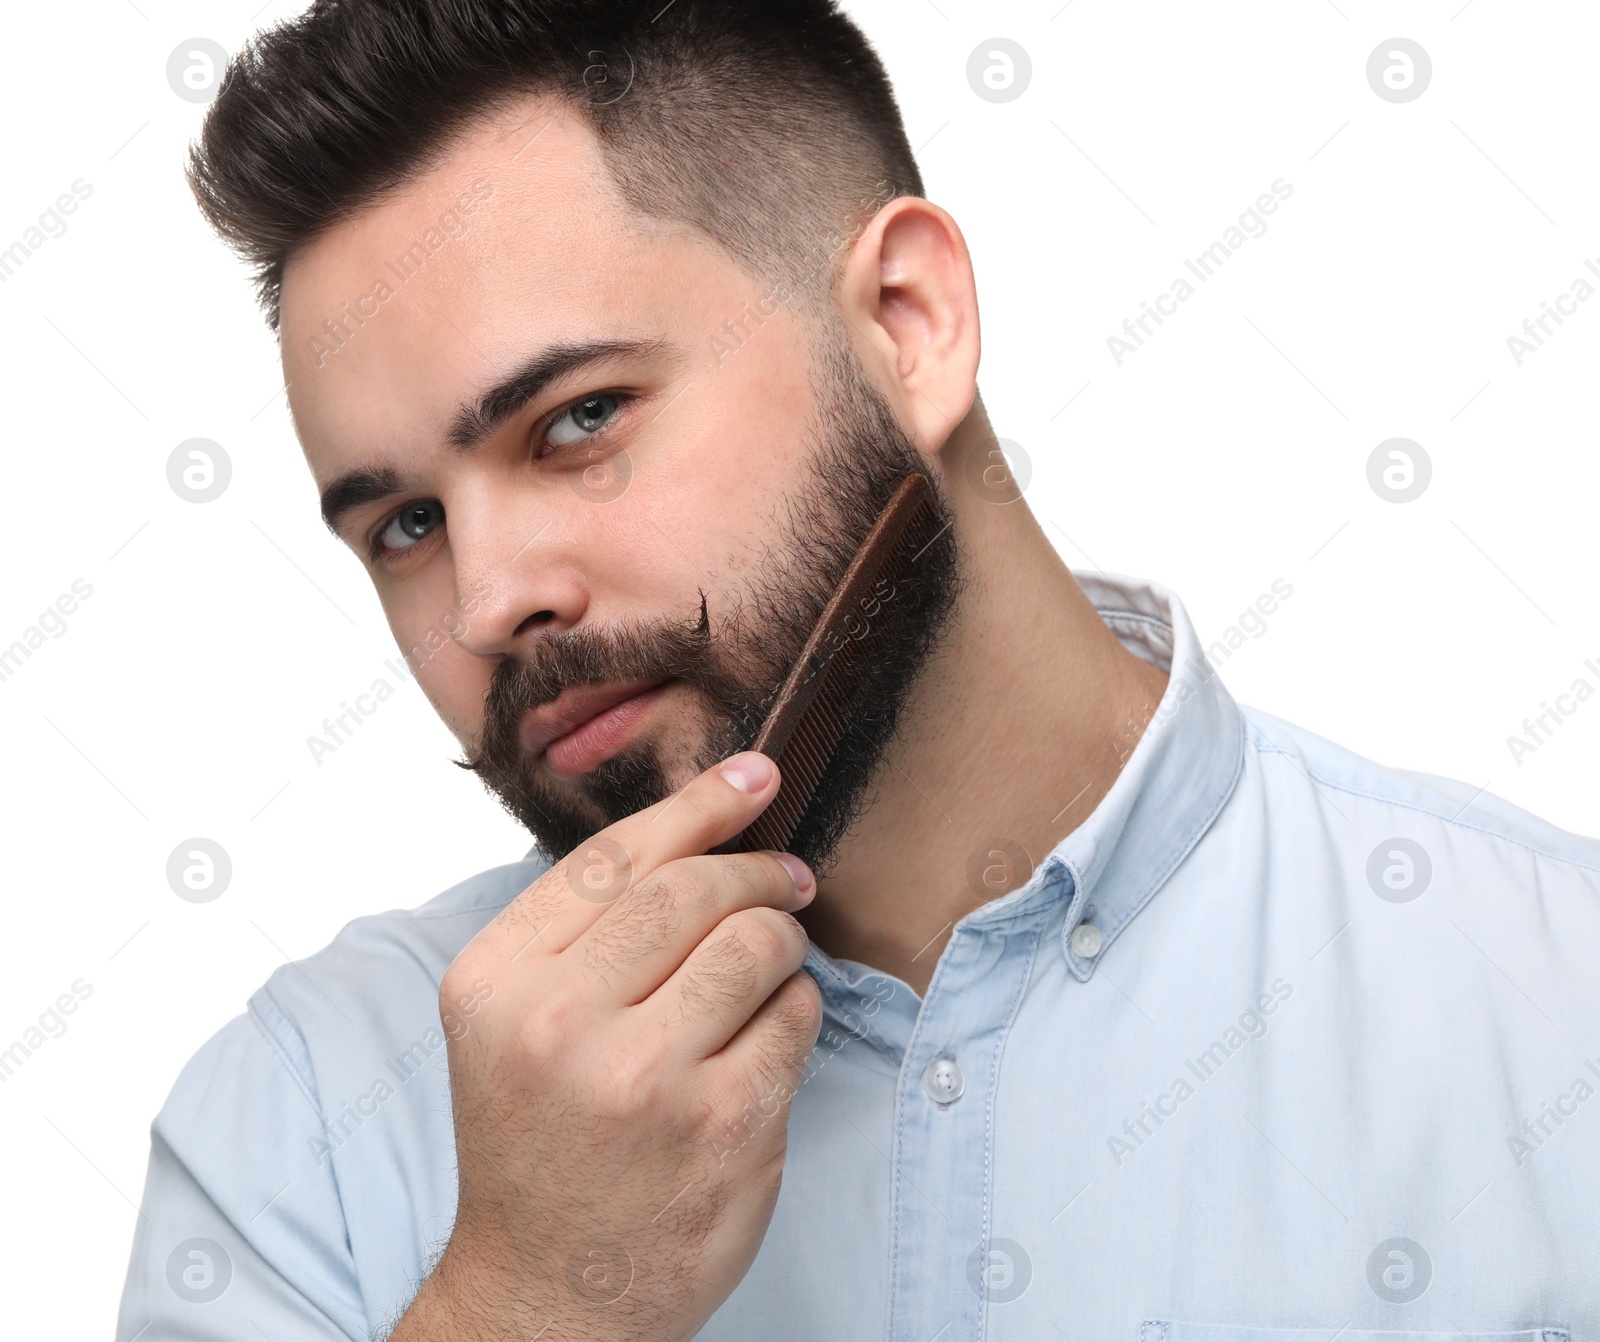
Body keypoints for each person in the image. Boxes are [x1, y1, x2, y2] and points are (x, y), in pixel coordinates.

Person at [119, 2, 1600, 1339]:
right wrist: (524, 1302)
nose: (491, 599)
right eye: (407, 523)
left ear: (908, 326)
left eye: (576, 421)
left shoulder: (1553, 1002)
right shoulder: (303, 1126)